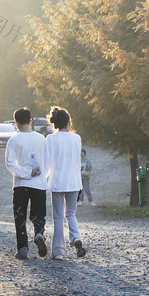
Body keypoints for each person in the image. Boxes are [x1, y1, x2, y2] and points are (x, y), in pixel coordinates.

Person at [4, 108, 48, 260]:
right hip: (39, 184)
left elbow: (9, 163)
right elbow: (47, 162)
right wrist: (42, 176)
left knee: (20, 215)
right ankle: (39, 234)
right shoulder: (42, 139)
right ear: (31, 121)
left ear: (16, 123)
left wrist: (26, 173)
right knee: (39, 215)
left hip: (20, 184)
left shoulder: (14, 140)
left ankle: (22, 248)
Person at [45, 106, 87, 260]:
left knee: (57, 217)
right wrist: (80, 185)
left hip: (57, 182)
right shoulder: (77, 138)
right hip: (73, 182)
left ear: (54, 122)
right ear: (69, 122)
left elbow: (47, 162)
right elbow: (77, 162)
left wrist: (43, 180)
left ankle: (58, 252)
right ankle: (76, 238)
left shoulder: (50, 139)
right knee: (70, 214)